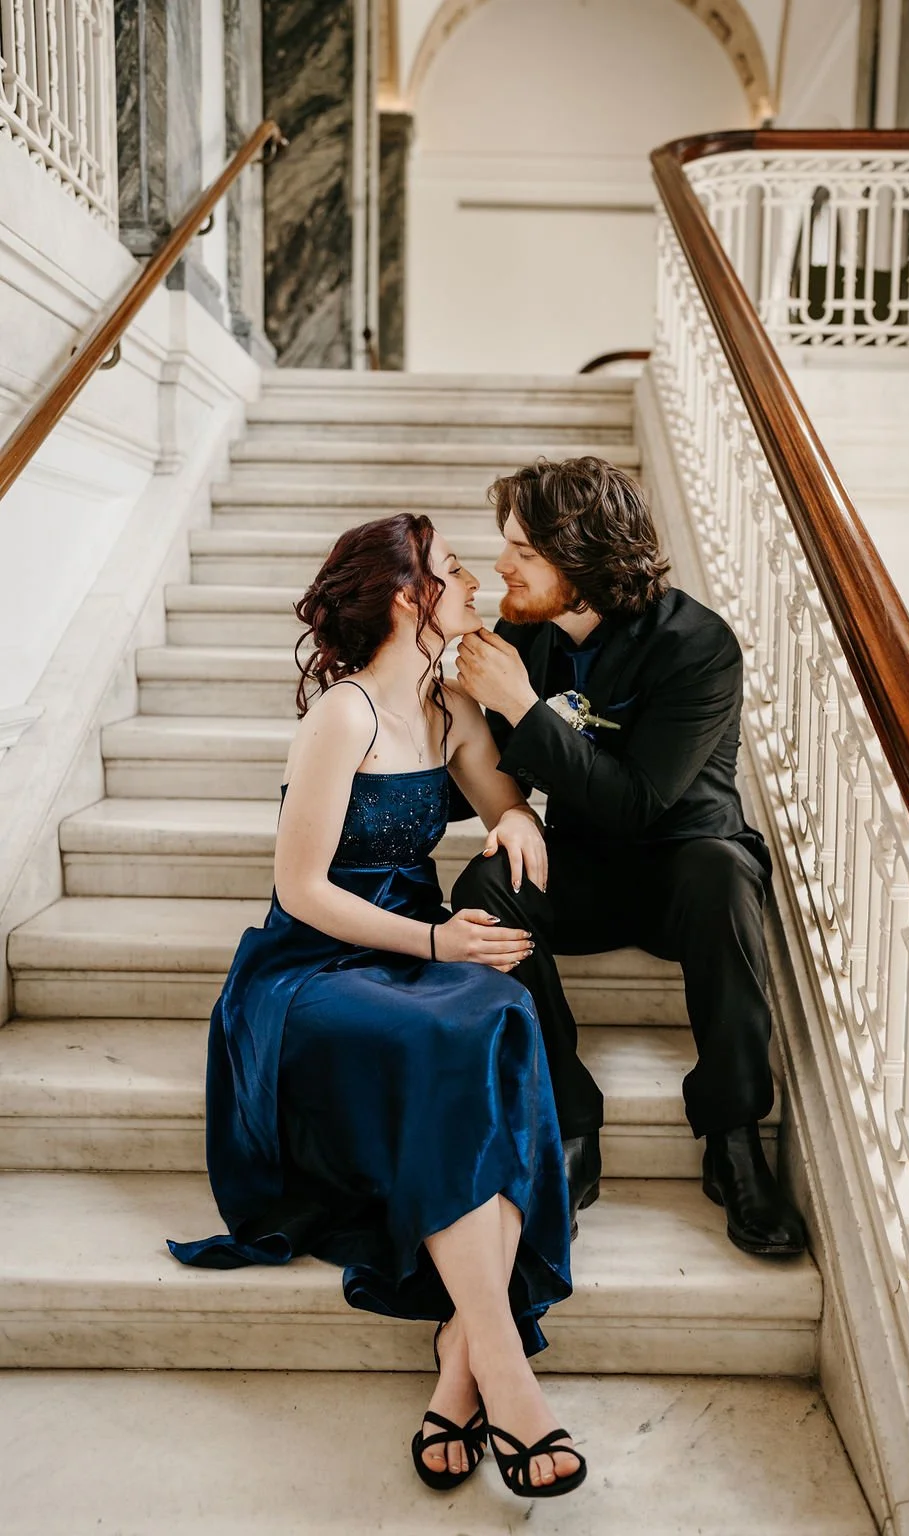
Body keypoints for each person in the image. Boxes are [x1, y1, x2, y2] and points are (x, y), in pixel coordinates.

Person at [167, 513, 587, 1499]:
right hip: (311, 969)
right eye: (452, 572)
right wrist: (441, 941)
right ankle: (506, 1374)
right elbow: (303, 889)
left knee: (499, 1014)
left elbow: (497, 800)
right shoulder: (341, 716)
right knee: (450, 1026)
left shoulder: (446, 708)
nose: (474, 583)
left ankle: (459, 1359)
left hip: (407, 943)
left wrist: (519, 817)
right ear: (410, 597)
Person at [453, 456, 806, 1259]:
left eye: (524, 552)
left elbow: (640, 800)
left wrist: (517, 704)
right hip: (584, 869)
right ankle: (569, 1121)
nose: (501, 566)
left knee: (722, 871)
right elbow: (492, 772)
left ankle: (733, 1138)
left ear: (583, 559)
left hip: (686, 868)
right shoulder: (524, 634)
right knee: (483, 883)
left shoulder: (698, 645)